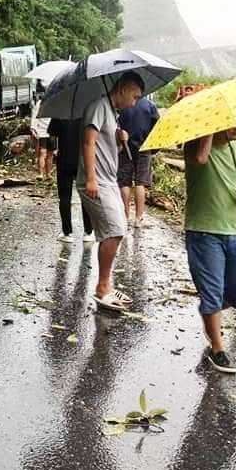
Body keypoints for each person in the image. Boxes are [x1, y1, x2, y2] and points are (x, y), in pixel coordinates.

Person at [184, 127, 236, 374]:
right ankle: (217, 348)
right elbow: (201, 160)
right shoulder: (195, 145)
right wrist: (208, 131)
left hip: (235, 229)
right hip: (203, 230)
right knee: (212, 292)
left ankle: (209, 310)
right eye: (231, 122)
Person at [78, 72, 144, 311]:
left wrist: (119, 138)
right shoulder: (98, 106)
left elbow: (108, 148)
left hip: (109, 179)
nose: (134, 102)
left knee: (117, 229)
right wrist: (91, 178)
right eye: (134, 96)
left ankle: (107, 283)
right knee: (115, 230)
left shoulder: (113, 114)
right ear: (123, 88)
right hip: (96, 180)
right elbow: (88, 142)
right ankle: (103, 286)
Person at [48, 117, 94, 244]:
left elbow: (51, 137)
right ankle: (88, 232)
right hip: (83, 160)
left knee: (64, 197)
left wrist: (52, 153)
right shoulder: (88, 114)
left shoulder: (60, 113)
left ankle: (67, 233)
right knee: (86, 197)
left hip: (64, 160)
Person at [117, 96, 160, 227]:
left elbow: (116, 125)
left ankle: (124, 217)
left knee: (124, 182)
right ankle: (138, 218)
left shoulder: (123, 103)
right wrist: (154, 148)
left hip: (125, 146)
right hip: (144, 147)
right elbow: (157, 128)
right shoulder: (150, 106)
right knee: (140, 182)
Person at [30, 94, 54, 180]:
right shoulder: (40, 103)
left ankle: (48, 174)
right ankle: (41, 174)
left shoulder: (55, 103)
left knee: (50, 154)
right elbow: (34, 116)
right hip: (42, 132)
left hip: (52, 132)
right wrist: (33, 128)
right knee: (43, 153)